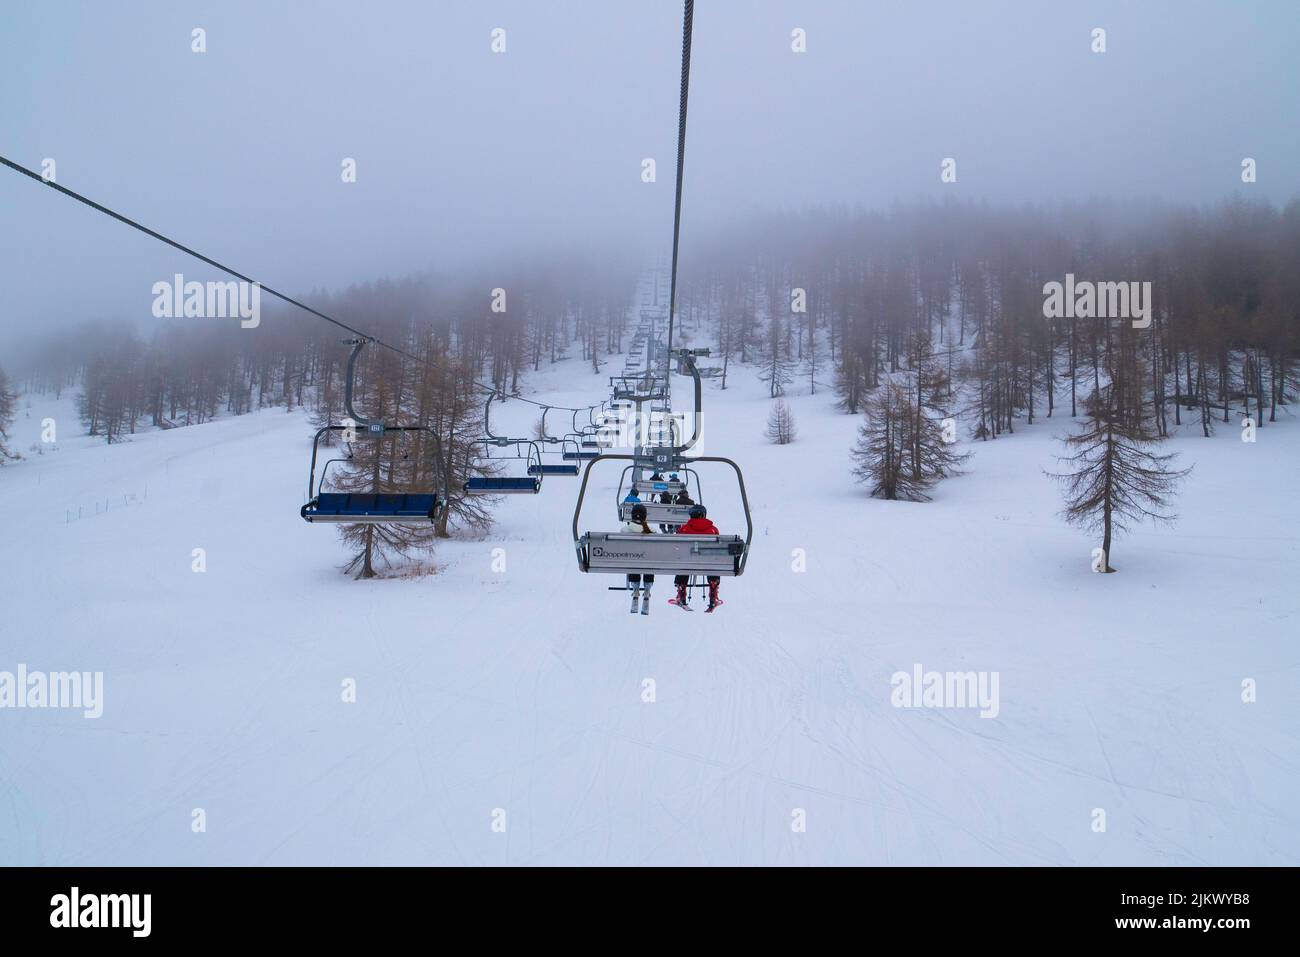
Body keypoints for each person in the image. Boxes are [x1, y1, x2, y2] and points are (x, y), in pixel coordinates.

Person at [674, 504, 722, 611]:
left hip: (687, 562)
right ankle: (713, 590)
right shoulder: (713, 530)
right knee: (713, 560)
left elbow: (676, 546)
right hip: (708, 563)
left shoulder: (684, 529)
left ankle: (681, 592)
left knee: (683, 561)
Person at [622, 503, 655, 615]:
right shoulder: (652, 531)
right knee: (649, 561)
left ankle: (635, 590)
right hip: (648, 564)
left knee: (632, 560)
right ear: (645, 516)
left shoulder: (624, 531)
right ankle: (647, 591)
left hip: (633, 562)